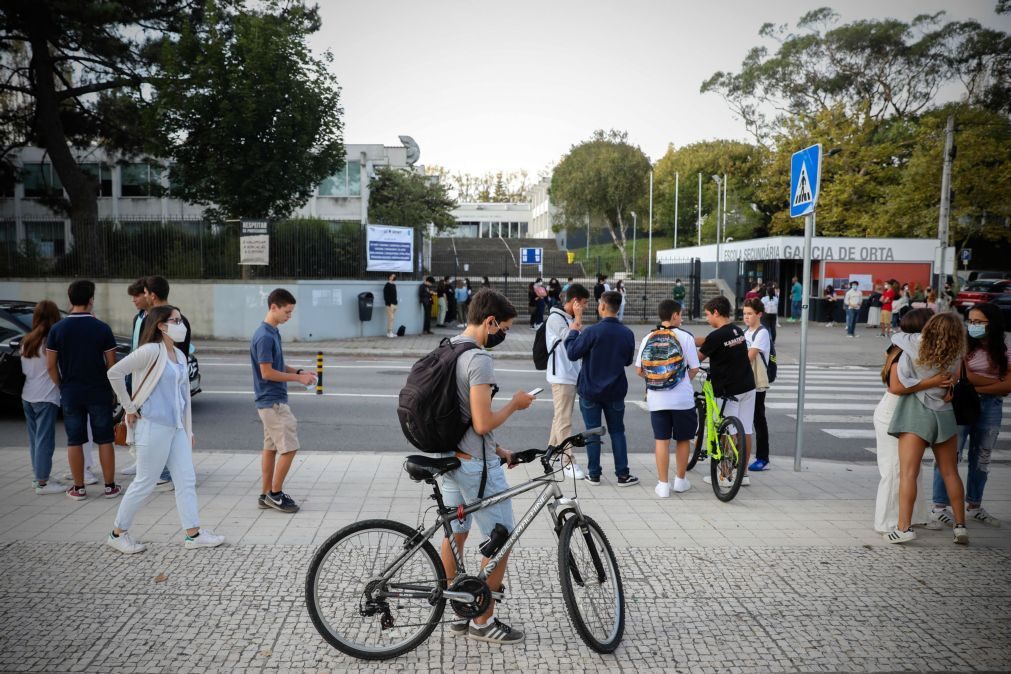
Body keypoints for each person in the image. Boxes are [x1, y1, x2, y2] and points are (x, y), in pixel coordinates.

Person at [441, 289, 534, 644]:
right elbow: (481, 422)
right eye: (503, 329)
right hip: (473, 468)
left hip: (449, 459)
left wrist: (497, 449)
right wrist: (515, 404)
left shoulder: (448, 346)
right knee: (501, 538)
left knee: (456, 532)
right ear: (490, 321)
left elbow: (460, 416)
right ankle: (482, 621)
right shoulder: (478, 359)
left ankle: (460, 611)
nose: (502, 336)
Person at [105, 305, 225, 554]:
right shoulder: (150, 351)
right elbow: (114, 373)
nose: (181, 325)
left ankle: (193, 534)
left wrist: (187, 430)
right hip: (152, 426)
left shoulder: (179, 356)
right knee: (145, 481)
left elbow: (183, 399)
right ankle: (117, 533)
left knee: (186, 480)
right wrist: (128, 407)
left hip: (176, 429)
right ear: (161, 325)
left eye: (181, 320)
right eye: (176, 320)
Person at [885, 312, 968, 544]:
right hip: (944, 413)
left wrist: (926, 382)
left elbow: (899, 382)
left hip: (916, 411)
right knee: (950, 471)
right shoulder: (956, 352)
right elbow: (956, 379)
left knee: (908, 473)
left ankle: (904, 528)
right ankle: (960, 526)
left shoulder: (912, 345)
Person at [930, 303, 1009, 528]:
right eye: (971, 321)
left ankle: (974, 505)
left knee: (982, 456)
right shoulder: (963, 347)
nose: (973, 326)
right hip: (961, 405)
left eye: (979, 322)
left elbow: (1008, 384)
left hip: (991, 407)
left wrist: (977, 387)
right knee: (950, 455)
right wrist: (997, 383)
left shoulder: (1004, 349)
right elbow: (965, 376)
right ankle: (939, 507)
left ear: (992, 324)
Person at [46, 279, 120, 501]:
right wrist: (112, 388)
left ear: (70, 300)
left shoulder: (57, 329)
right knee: (105, 439)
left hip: (71, 391)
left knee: (75, 440)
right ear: (91, 300)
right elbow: (112, 364)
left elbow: (50, 365)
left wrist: (62, 385)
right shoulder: (102, 328)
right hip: (98, 390)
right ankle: (110, 487)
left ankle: (78, 488)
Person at [251, 288, 317, 514]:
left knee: (270, 448)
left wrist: (299, 371)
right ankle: (275, 495)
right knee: (289, 448)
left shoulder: (272, 332)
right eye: (287, 312)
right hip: (273, 402)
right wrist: (298, 378)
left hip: (271, 401)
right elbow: (267, 373)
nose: (290, 316)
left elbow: (277, 366)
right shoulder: (264, 336)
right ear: (273, 307)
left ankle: (264, 494)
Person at [565, 290, 638, 486]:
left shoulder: (591, 331)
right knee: (617, 431)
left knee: (593, 431)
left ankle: (594, 473)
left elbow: (572, 353)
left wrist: (573, 331)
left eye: (599, 303)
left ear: (603, 306)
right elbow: (628, 360)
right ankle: (623, 474)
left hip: (590, 389)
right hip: (615, 389)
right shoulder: (627, 333)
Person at [873, 308, 935, 533]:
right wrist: (934, 382)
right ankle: (887, 522)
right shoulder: (901, 351)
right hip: (893, 412)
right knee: (895, 469)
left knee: (912, 469)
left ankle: (915, 516)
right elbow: (897, 387)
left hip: (907, 411)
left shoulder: (909, 348)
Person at [635, 299, 700, 497]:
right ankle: (680, 481)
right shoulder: (685, 337)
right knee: (683, 439)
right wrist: (679, 380)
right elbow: (695, 367)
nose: (681, 318)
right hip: (682, 399)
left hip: (657, 399)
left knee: (661, 440)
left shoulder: (649, 337)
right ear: (673, 316)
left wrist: (657, 380)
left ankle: (663, 485)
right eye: (680, 315)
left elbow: (639, 370)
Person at [694, 296, 756, 488]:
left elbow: (698, 357)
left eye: (707, 315)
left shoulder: (716, 336)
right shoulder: (737, 330)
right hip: (748, 386)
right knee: (744, 430)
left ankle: (726, 475)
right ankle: (743, 475)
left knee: (727, 432)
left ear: (716, 312)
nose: (707, 319)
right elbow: (715, 343)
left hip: (728, 391)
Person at [139, 275, 192, 490]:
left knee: (169, 428)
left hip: (166, 383)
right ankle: (158, 470)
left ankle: (162, 472)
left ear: (152, 295)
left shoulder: (153, 320)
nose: (142, 297)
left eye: (144, 293)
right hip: (164, 388)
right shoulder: (150, 320)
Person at [544, 283, 591, 480]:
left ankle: (551, 454)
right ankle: (567, 461)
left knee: (560, 417)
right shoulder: (556, 319)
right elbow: (571, 341)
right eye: (585, 303)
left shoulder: (568, 318)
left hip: (570, 374)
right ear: (575, 302)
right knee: (564, 419)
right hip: (561, 375)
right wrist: (578, 319)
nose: (587, 307)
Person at [21, 300, 64, 494]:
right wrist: (61, 385)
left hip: (28, 394)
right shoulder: (52, 341)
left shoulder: (28, 340)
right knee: (45, 440)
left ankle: (38, 476)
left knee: (35, 439)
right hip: (46, 396)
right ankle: (43, 482)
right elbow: (51, 367)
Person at [119, 278, 152, 477]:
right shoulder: (138, 318)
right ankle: (138, 459)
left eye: (138, 295)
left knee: (145, 420)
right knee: (134, 420)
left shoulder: (155, 318)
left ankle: (147, 463)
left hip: (146, 376)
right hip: (134, 374)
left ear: (148, 295)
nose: (135, 300)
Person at [742, 299, 772, 472]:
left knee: (758, 419)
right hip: (747, 381)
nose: (746, 317)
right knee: (748, 420)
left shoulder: (762, 333)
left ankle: (763, 458)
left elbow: (749, 356)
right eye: (745, 313)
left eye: (750, 314)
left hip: (757, 383)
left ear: (759, 314)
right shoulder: (746, 331)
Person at [383, 273, 398, 339]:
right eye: (392, 276)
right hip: (389, 304)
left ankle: (390, 332)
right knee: (390, 318)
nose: (393, 277)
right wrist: (389, 303)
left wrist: (396, 302)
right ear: (389, 277)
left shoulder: (394, 285)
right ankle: (389, 332)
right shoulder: (387, 285)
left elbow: (395, 294)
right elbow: (385, 295)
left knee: (392, 319)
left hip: (394, 303)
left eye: (394, 276)